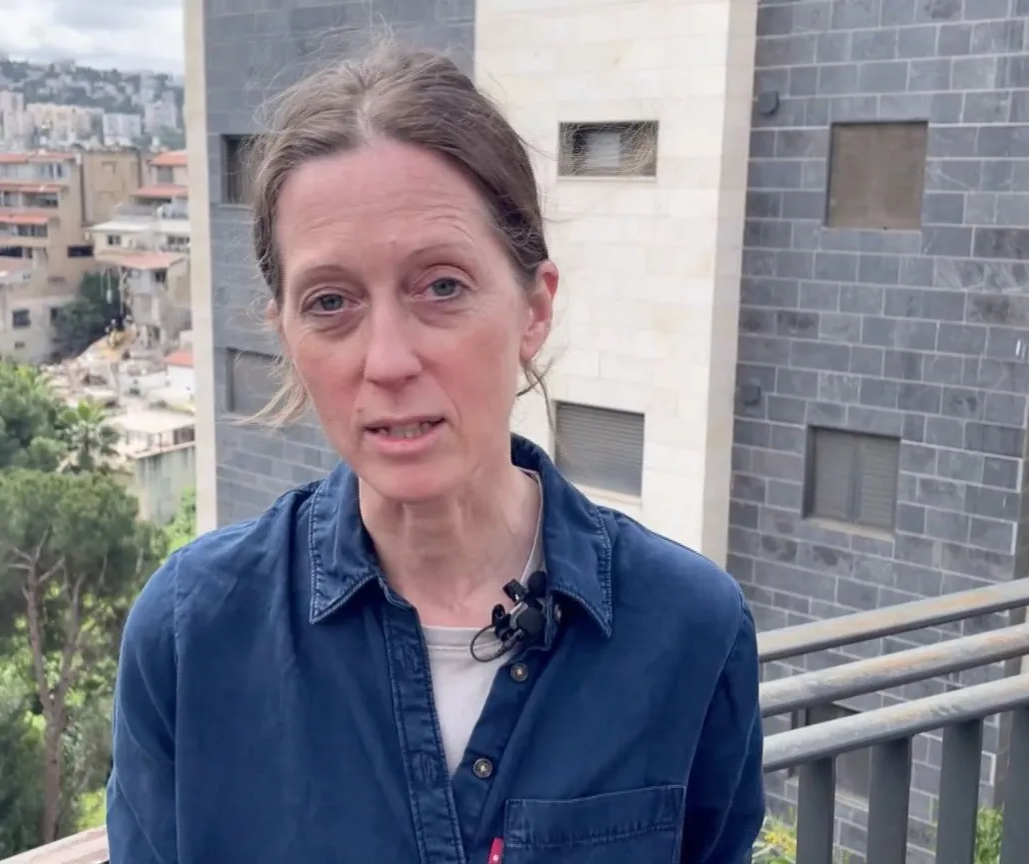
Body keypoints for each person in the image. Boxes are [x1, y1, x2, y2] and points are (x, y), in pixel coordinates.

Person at [105, 43, 765, 864]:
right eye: (331, 302)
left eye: (441, 286)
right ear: (286, 334)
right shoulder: (192, 636)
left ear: (533, 306)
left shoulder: (688, 630)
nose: (386, 359)